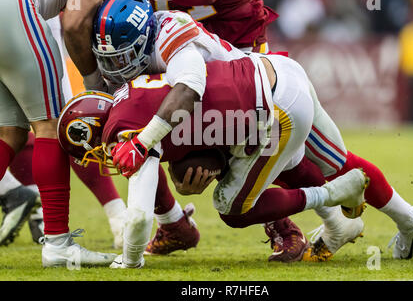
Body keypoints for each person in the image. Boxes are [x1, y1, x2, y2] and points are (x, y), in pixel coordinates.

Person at [58, 54, 369, 268]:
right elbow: (196, 123)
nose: (103, 157)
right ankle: (350, 213)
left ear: (95, 130)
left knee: (232, 207)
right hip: (276, 69)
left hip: (274, 110)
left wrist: (130, 260)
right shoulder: (130, 89)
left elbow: (138, 216)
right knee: (329, 161)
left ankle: (336, 193)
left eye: (95, 150)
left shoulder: (121, 131)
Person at [0, 0, 117, 267]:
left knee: (10, 133)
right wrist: (95, 85)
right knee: (51, 125)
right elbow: (75, 23)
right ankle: (58, 243)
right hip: (12, 5)